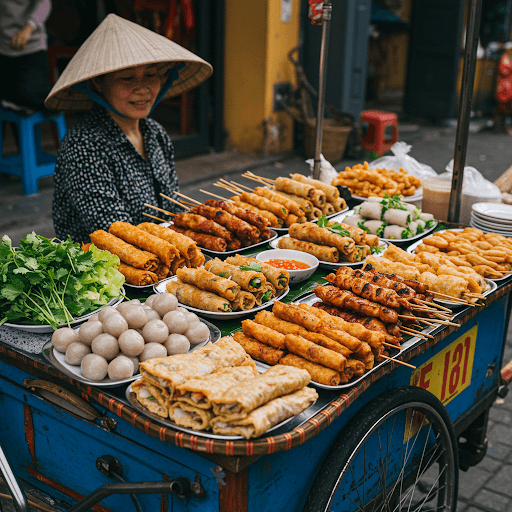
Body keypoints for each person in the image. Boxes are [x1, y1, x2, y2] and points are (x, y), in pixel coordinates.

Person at [45, 13, 212, 244]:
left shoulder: (155, 133)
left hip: (161, 259)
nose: (142, 88)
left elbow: (173, 212)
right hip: (103, 270)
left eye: (150, 75)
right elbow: (117, 234)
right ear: (97, 84)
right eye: (127, 78)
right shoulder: (84, 144)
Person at [0, 0, 54, 114]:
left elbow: (44, 3)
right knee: (12, 99)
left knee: (29, 93)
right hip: (3, 49)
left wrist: (29, 27)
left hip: (33, 49)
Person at [494, 42, 512, 135]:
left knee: (507, 109)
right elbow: (503, 70)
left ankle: (503, 127)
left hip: (509, 88)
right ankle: (498, 127)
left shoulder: (509, 58)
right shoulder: (505, 58)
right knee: (501, 108)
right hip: (503, 87)